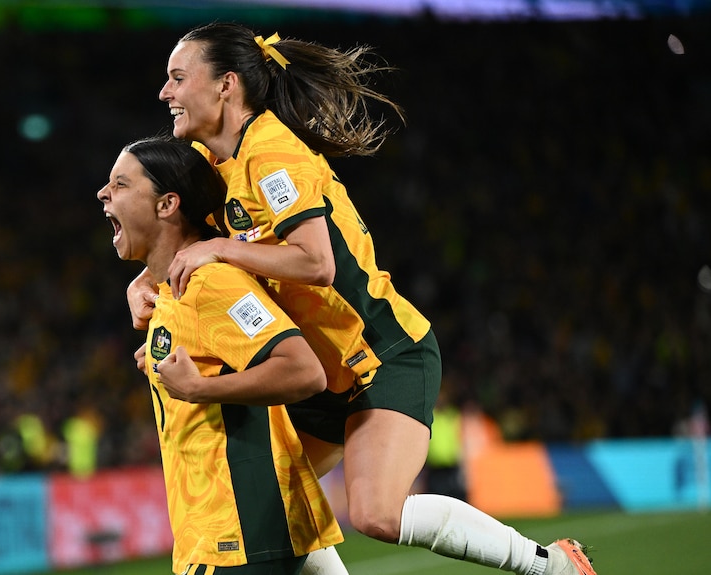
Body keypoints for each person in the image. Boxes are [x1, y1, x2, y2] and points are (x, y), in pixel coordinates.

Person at [127, 22, 598, 575]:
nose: (166, 93)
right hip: (328, 373)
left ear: (226, 84)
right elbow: (184, 243)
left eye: (178, 78)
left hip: (383, 353)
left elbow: (316, 263)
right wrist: (142, 283)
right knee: (272, 501)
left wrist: (224, 252)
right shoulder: (215, 167)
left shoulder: (272, 153)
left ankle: (552, 566)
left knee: (376, 513)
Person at [97, 136, 346, 575]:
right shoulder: (170, 291)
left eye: (120, 184)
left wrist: (199, 388)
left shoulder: (211, 284)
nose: (103, 193)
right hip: (226, 532)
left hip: (234, 534)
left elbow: (304, 371)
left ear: (166, 204)